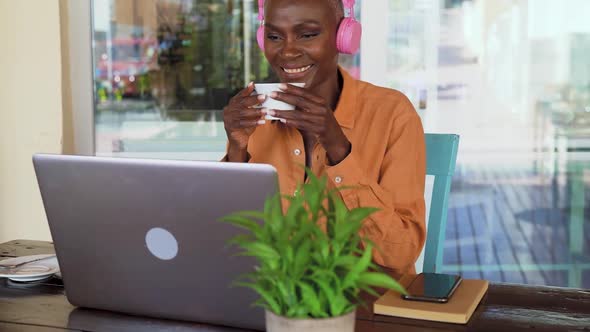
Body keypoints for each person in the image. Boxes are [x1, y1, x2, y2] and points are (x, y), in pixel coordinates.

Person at [222, 0, 425, 274]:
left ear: (344, 36)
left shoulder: (392, 113)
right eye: (273, 36)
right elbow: (229, 243)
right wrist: (236, 149)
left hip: (364, 305)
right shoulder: (254, 115)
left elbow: (400, 252)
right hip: (275, 300)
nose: (288, 51)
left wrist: (337, 146)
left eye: (307, 35)